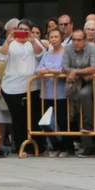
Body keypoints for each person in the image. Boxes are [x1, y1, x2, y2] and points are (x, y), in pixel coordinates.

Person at [0, 19, 43, 157]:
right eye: (20, 29)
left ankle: (37, 147)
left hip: (32, 86)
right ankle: (20, 147)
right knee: (18, 119)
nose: (23, 32)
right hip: (12, 87)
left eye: (26, 30)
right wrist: (8, 40)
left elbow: (41, 54)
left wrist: (32, 40)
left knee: (34, 117)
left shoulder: (34, 42)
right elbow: (1, 56)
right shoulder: (11, 43)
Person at [62, 28, 95, 156]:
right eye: (74, 39)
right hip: (76, 83)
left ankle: (88, 125)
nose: (76, 42)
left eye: (79, 40)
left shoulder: (92, 47)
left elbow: (94, 68)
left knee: (84, 94)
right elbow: (65, 68)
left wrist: (75, 72)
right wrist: (81, 73)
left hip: (92, 82)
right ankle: (87, 145)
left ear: (85, 40)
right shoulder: (68, 48)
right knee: (78, 109)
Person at [35, 27, 67, 155]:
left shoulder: (65, 52)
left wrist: (48, 70)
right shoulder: (46, 54)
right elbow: (38, 68)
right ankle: (55, 146)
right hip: (46, 92)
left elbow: (64, 69)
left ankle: (65, 147)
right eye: (51, 37)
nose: (54, 39)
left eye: (56, 37)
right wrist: (41, 70)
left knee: (62, 120)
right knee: (48, 121)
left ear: (61, 38)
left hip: (60, 93)